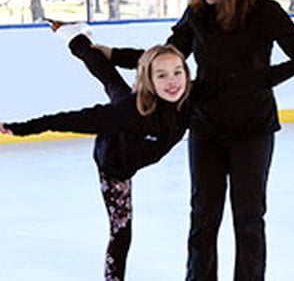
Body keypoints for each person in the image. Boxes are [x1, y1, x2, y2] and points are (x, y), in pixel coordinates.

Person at [86, 0, 294, 281]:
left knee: (249, 218)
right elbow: (166, 57)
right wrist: (112, 54)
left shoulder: (265, 12)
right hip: (205, 126)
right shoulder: (198, 14)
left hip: (253, 128)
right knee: (203, 215)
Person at [0, 28, 191, 281]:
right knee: (121, 231)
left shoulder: (191, 99)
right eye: (162, 75)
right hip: (114, 162)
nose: (172, 81)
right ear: (148, 80)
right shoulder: (128, 114)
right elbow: (71, 120)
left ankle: (74, 36)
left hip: (132, 124)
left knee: (113, 83)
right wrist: (21, 129)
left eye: (178, 72)